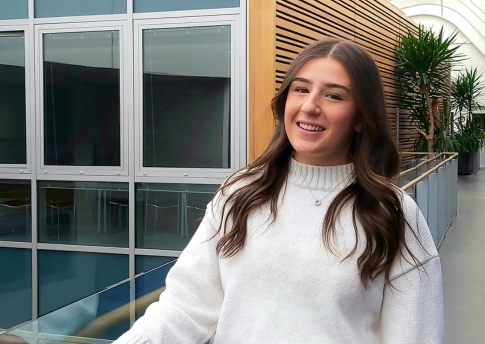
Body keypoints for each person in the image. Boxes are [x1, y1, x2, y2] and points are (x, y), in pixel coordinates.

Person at [114, 37, 443, 344]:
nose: (310, 106)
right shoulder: (240, 193)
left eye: (333, 95)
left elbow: (414, 334)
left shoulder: (393, 213)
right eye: (301, 89)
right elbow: (185, 308)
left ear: (360, 117)